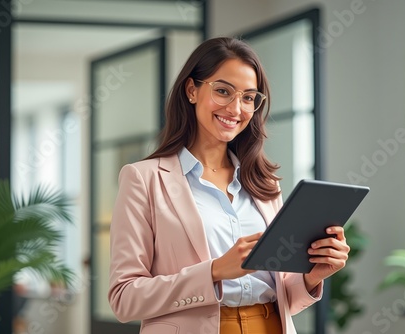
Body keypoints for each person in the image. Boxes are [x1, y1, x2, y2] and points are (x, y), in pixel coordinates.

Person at [108, 37, 350, 334]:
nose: (236, 108)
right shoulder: (143, 179)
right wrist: (214, 271)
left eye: (249, 97)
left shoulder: (264, 183)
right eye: (223, 91)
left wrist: (312, 277)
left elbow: (282, 293)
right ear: (191, 90)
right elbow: (124, 299)